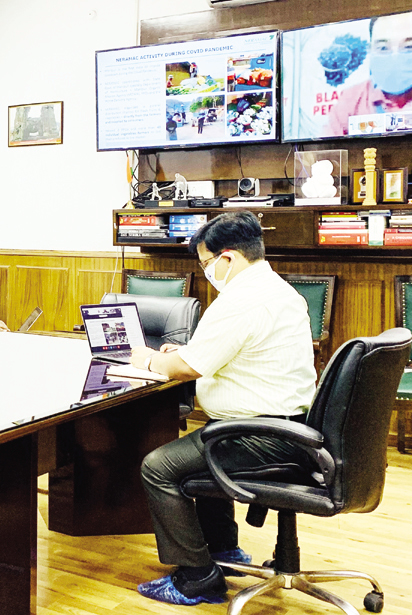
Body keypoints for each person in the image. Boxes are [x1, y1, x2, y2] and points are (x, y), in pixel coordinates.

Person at [128, 212, 317, 607]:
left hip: (261, 436)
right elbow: (230, 352)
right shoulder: (279, 291)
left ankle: (198, 578)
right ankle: (223, 551)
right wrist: (182, 352)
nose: (206, 271)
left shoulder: (241, 300)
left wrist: (146, 359)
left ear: (227, 259)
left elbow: (186, 369)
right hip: (288, 429)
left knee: (158, 467)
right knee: (206, 439)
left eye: (205, 263)